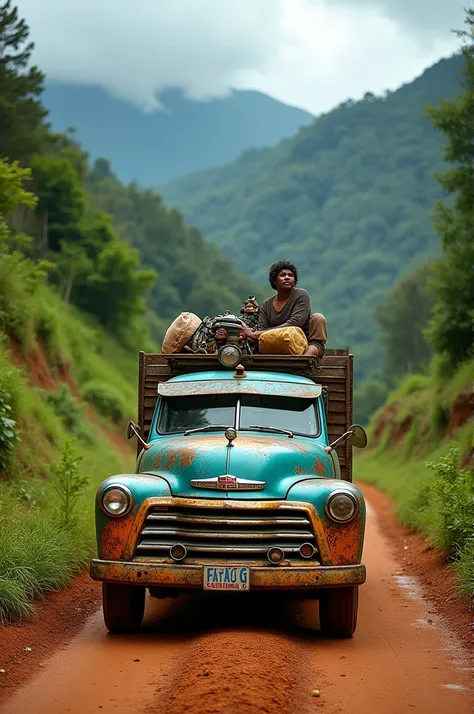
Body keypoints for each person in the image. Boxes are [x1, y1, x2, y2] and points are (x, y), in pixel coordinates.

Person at [239, 260, 327, 357]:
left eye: (290, 275)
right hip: (275, 345)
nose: (287, 278)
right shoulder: (267, 304)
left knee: (318, 318)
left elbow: (295, 324)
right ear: (274, 281)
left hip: (303, 346)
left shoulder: (301, 295)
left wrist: (255, 334)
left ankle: (302, 361)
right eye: (282, 275)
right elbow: (262, 331)